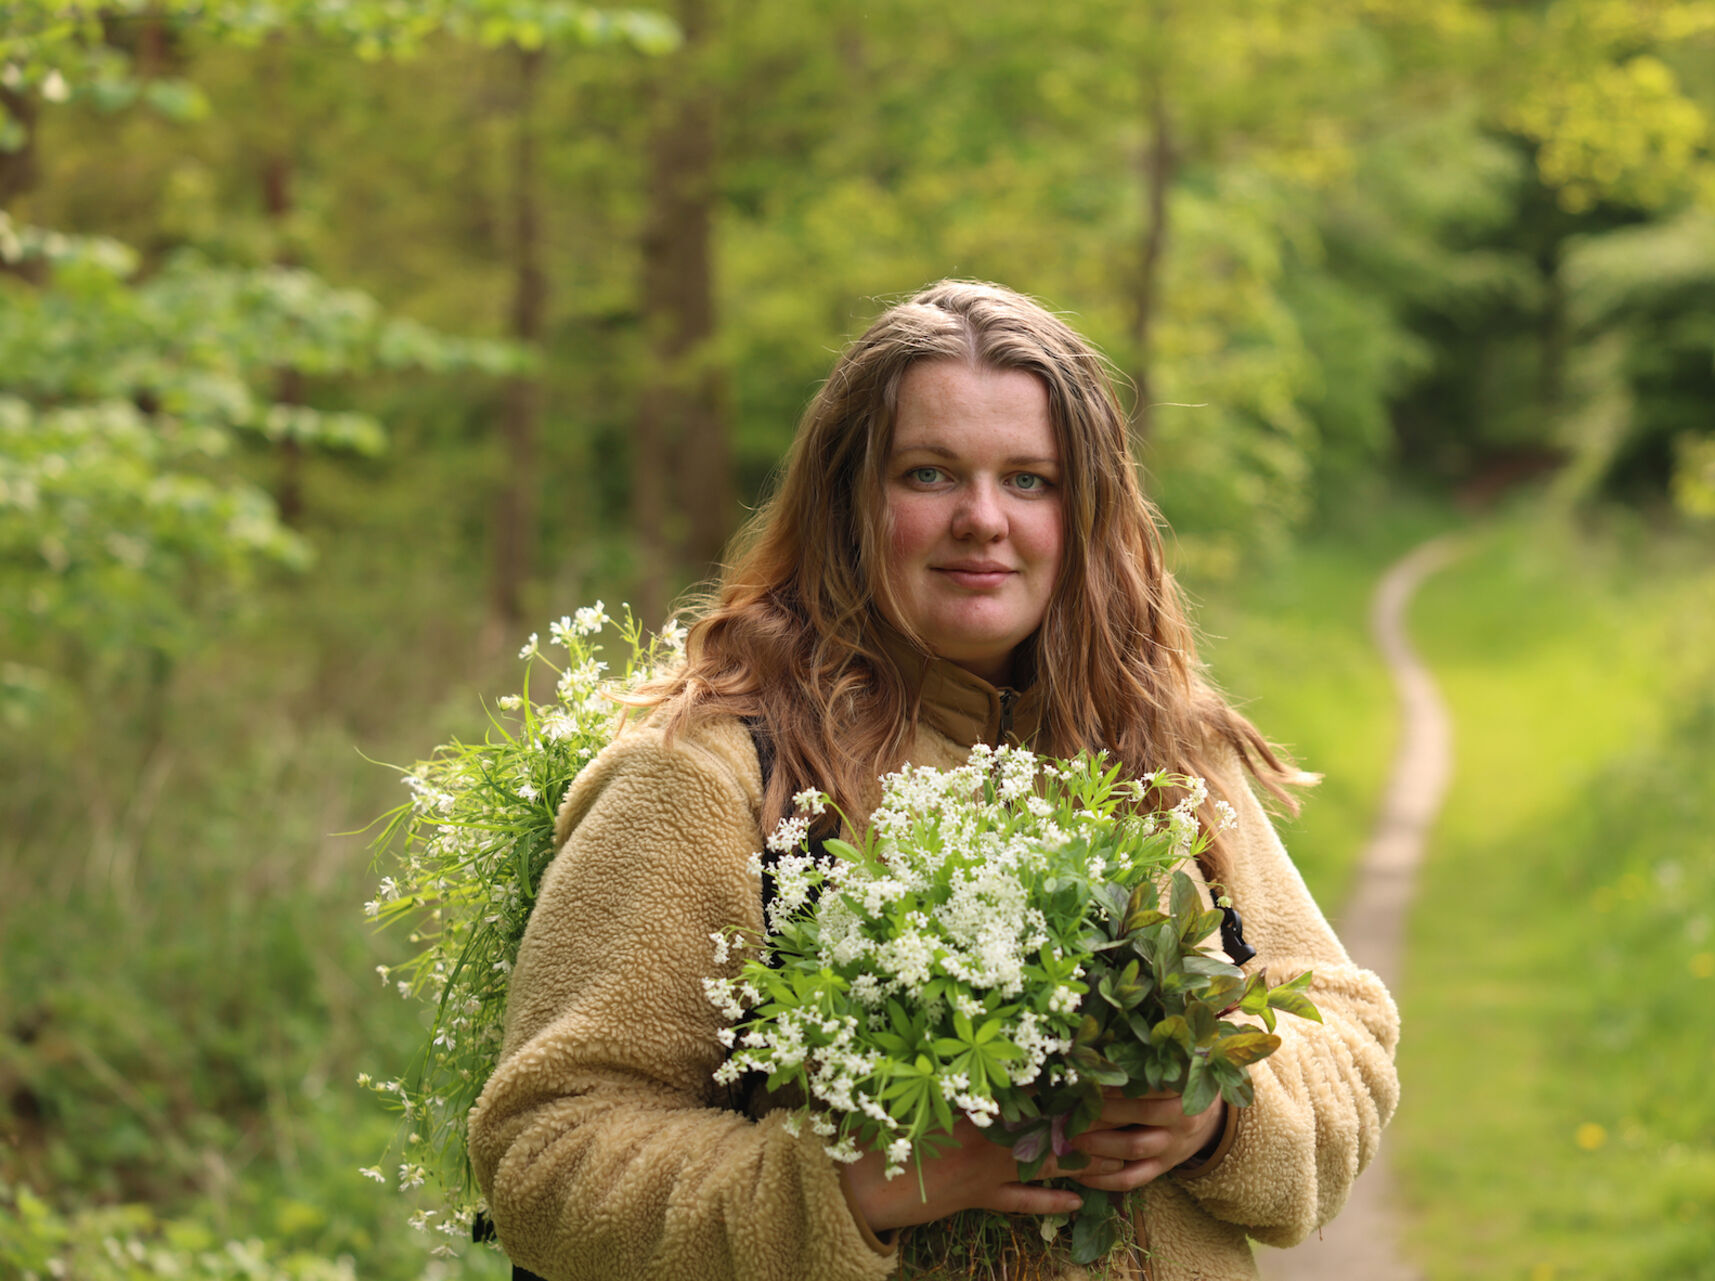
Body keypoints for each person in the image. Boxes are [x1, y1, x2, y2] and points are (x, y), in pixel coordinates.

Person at [467, 280, 1399, 1279]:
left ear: (1086, 513)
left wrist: (1220, 1114)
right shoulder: (710, 773)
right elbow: (547, 1152)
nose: (983, 519)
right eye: (929, 473)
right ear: (847, 505)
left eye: (1031, 480)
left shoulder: (1158, 747)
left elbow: (1345, 1027)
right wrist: (853, 1185)